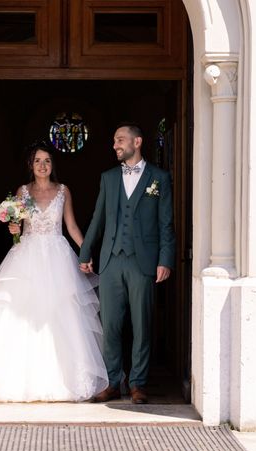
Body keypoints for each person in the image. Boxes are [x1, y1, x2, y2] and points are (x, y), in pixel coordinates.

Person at [0, 142, 108, 402]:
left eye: (47, 160)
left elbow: (71, 226)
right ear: (31, 165)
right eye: (38, 161)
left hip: (58, 258)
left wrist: (85, 252)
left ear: (52, 164)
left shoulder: (63, 191)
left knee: (62, 313)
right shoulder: (23, 191)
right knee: (17, 311)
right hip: (27, 256)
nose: (43, 165)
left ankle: (66, 379)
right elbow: (19, 226)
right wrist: (13, 229)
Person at [79, 122, 176, 404]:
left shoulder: (159, 178)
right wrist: (85, 253)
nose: (115, 145)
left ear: (137, 142)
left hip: (143, 262)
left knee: (142, 325)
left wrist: (165, 259)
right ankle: (112, 382)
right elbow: (97, 218)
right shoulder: (108, 178)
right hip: (111, 260)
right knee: (110, 325)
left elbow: (166, 224)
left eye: (120, 140)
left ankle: (138, 383)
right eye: (113, 140)